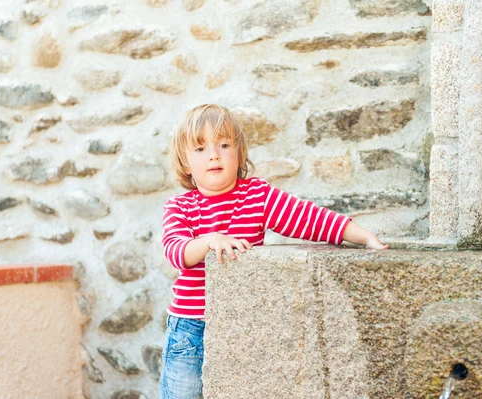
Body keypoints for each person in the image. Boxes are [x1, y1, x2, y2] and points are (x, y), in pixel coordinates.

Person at [159, 104, 388, 399]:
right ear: (186, 162)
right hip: (190, 331)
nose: (214, 154)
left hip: (243, 327)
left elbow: (310, 219)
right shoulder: (180, 207)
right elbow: (175, 251)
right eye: (201, 148)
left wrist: (362, 236)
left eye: (224, 144)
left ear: (239, 153)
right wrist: (208, 240)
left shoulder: (257, 196)